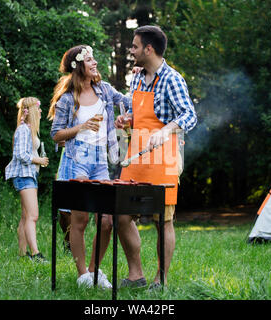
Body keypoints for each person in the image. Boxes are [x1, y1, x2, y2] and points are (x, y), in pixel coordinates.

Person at [115, 25, 197, 290]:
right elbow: (137, 113)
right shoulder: (137, 78)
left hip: (163, 159)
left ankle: (160, 279)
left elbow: (189, 115)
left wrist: (166, 129)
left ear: (149, 49)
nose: (132, 50)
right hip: (135, 157)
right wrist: (126, 120)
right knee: (122, 216)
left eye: (135, 46)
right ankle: (136, 274)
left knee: (163, 221)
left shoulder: (173, 79)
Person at [49, 45, 131, 289]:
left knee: (107, 220)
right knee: (80, 220)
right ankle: (83, 274)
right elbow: (56, 134)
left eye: (94, 59)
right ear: (77, 66)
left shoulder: (104, 90)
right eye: (89, 60)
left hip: (99, 161)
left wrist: (137, 78)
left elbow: (128, 101)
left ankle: (95, 272)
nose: (95, 63)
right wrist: (81, 128)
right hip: (76, 160)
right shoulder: (67, 98)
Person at [5, 97, 50, 263]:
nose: (40, 111)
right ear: (30, 110)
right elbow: (20, 154)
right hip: (24, 176)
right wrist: (38, 160)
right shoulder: (23, 130)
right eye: (38, 109)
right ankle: (36, 254)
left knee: (25, 217)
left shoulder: (29, 130)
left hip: (30, 175)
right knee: (33, 215)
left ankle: (22, 255)